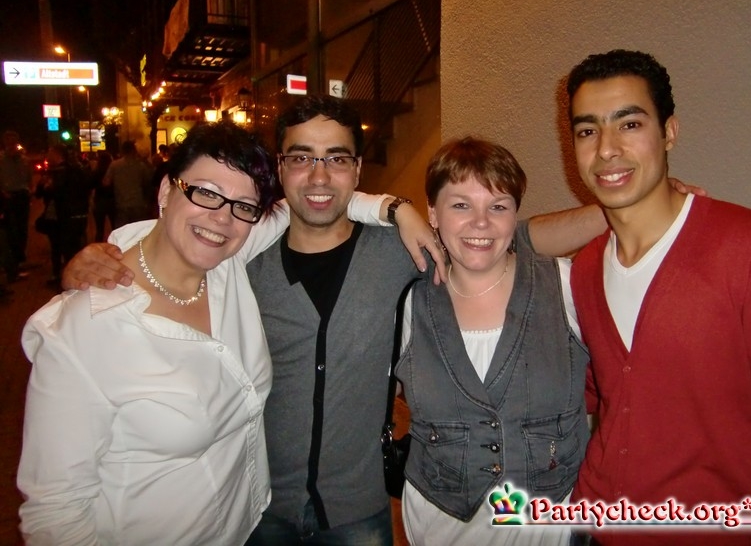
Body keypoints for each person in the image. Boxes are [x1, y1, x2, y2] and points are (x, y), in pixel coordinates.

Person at [63, 96, 610, 544]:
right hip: (258, 508)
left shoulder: (401, 251)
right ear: (280, 168)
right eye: (302, 157)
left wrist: (623, 211)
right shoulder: (240, 263)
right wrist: (93, 262)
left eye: (337, 158)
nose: (319, 175)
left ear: (356, 171)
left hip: (359, 511)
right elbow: (172, 249)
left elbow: (508, 237)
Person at [565, 50, 751, 545]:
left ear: (669, 132)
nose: (606, 149)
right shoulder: (584, 269)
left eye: (629, 124)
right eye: (587, 131)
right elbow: (605, 397)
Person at [18, 121, 285, 544]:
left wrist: (390, 209)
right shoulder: (83, 332)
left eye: (243, 205)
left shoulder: (228, 263)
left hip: (247, 527)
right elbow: (56, 513)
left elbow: (312, 200)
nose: (222, 216)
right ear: (165, 191)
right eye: (206, 192)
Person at [397, 137, 588, 546]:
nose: (481, 223)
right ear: (432, 213)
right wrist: (391, 208)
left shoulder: (566, 285)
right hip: (441, 524)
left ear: (515, 214)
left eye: (498, 206)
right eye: (460, 205)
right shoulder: (407, 303)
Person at [34, 143, 92, 285]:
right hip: (70, 215)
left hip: (63, 216)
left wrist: (47, 187)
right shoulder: (73, 171)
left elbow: (55, 193)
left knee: (64, 247)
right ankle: (66, 275)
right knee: (67, 247)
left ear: (57, 155)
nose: (47, 157)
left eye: (50, 153)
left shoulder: (62, 173)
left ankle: (66, 277)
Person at [0, 129, 33, 272]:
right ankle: (12, 258)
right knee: (9, 229)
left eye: (13, 142)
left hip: (22, 195)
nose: (11, 145)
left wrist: (29, 190)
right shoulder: (1, 160)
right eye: (8, 142)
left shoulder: (24, 160)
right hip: (7, 196)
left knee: (22, 228)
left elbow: (29, 177)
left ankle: (20, 257)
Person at [103, 139, 153, 228]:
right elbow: (148, 182)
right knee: (138, 231)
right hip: (138, 203)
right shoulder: (140, 166)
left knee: (123, 231)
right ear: (134, 150)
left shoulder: (115, 165)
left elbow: (106, 182)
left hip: (121, 204)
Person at [90, 151, 115, 241]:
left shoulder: (97, 172)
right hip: (112, 200)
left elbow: (90, 185)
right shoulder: (113, 171)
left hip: (100, 200)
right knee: (115, 227)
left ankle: (99, 245)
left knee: (99, 229)